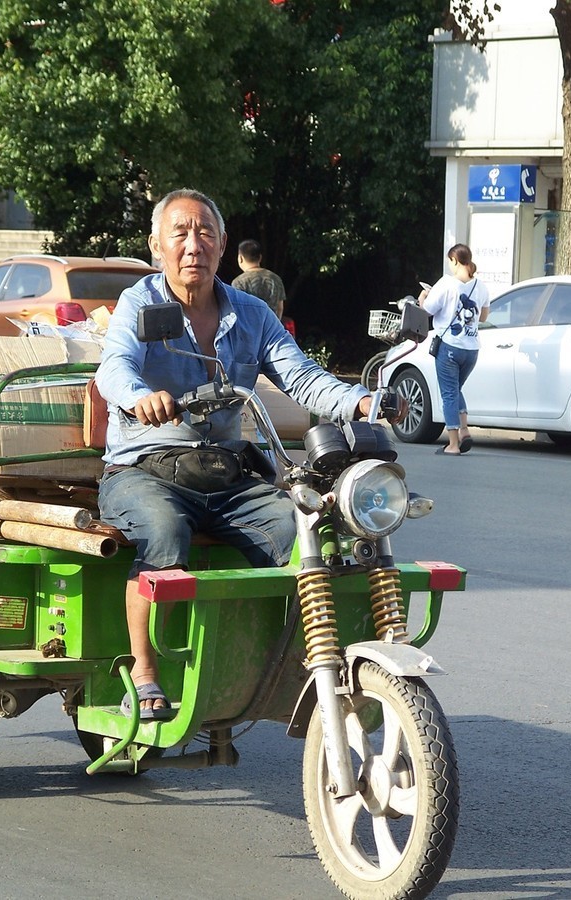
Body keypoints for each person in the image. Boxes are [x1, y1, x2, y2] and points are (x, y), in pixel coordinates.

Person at [94, 188, 404, 719]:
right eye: (181, 233)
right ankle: (144, 675)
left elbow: (301, 377)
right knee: (164, 531)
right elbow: (114, 366)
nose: (194, 245)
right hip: (145, 468)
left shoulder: (252, 313)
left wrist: (362, 401)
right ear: (156, 246)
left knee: (302, 529)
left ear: (222, 245)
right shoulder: (141, 303)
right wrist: (142, 397)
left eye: (206, 233)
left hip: (224, 471)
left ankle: (293, 663)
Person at [419, 243, 490, 455]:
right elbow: (484, 317)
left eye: (450, 261)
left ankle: (452, 444)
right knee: (456, 389)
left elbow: (428, 310)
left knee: (449, 393)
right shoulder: (481, 286)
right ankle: (465, 431)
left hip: (449, 347)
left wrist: (423, 297)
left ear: (455, 261)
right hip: (471, 349)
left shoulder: (446, 284)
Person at [231, 239, 287, 320]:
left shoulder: (239, 282)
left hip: (250, 330)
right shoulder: (275, 278)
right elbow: (280, 308)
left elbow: (237, 310)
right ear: (260, 257)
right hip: (272, 328)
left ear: (240, 258)